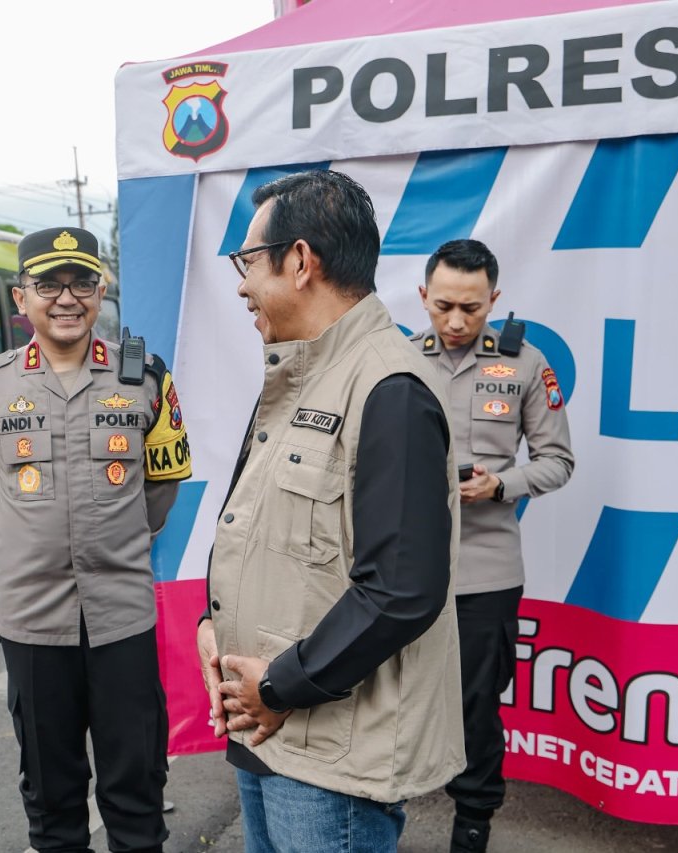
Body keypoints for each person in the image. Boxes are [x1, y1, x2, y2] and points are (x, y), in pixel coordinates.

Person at [195, 169, 465, 852]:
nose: (241, 282)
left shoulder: (389, 386)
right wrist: (211, 619)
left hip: (330, 762)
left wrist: (280, 684)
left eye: (248, 261)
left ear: (300, 260)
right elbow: (256, 524)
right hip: (267, 735)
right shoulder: (299, 375)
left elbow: (402, 590)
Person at [0, 226, 191, 853]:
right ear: (20, 298)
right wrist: (32, 543)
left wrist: (111, 538)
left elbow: (161, 486)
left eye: (82, 282)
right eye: (49, 284)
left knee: (136, 789)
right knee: (51, 796)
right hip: (33, 623)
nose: (67, 298)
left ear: (101, 290)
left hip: (122, 618)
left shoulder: (144, 377)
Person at [413, 239, 574, 852]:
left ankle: (472, 824)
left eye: (473, 309)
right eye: (445, 305)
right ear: (423, 296)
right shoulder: (397, 359)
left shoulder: (526, 364)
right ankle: (382, 812)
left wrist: (502, 483)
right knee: (393, 694)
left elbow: (558, 462)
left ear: (495, 301)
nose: (456, 322)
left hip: (485, 571)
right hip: (407, 568)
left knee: (476, 705)